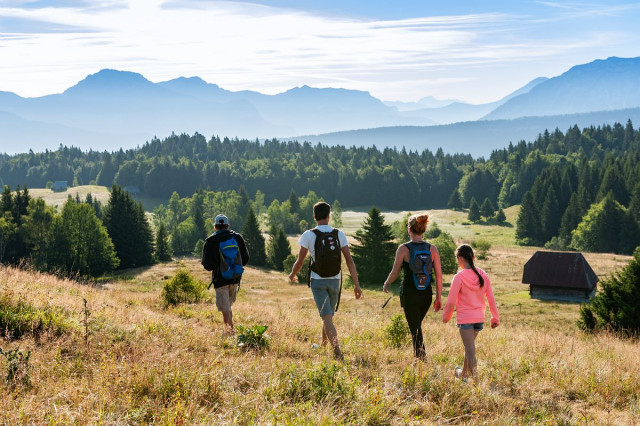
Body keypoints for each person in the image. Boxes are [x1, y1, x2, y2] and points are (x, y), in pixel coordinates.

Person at [289, 201, 362, 360]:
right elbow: (349, 261)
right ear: (329, 216)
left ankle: (337, 352)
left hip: (318, 282)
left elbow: (300, 261)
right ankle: (323, 345)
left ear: (314, 216)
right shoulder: (339, 234)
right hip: (335, 280)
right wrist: (356, 285)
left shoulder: (309, 234)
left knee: (327, 318)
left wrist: (292, 274)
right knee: (328, 316)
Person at [382, 213, 443, 359]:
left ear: (409, 229)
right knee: (416, 327)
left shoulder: (403, 249)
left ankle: (421, 360)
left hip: (410, 294)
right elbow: (439, 275)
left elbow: (395, 272)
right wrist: (438, 297)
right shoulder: (432, 249)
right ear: (423, 229)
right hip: (427, 295)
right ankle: (419, 359)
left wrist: (387, 283)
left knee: (415, 329)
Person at [442, 244, 499, 380]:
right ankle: (463, 374)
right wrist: (494, 318)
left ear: (460, 258)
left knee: (470, 349)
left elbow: (451, 302)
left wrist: (446, 317)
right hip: (479, 318)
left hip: (465, 319)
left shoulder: (459, 277)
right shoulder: (483, 275)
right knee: (470, 347)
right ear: (473, 257)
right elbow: (490, 298)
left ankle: (476, 380)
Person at [201, 214, 250, 334]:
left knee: (225, 307)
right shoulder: (237, 238)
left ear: (215, 226)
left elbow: (207, 266)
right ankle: (231, 329)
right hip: (235, 278)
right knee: (227, 306)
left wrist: (220, 264)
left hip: (220, 279)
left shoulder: (211, 241)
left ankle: (230, 332)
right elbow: (246, 259)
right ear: (227, 226)